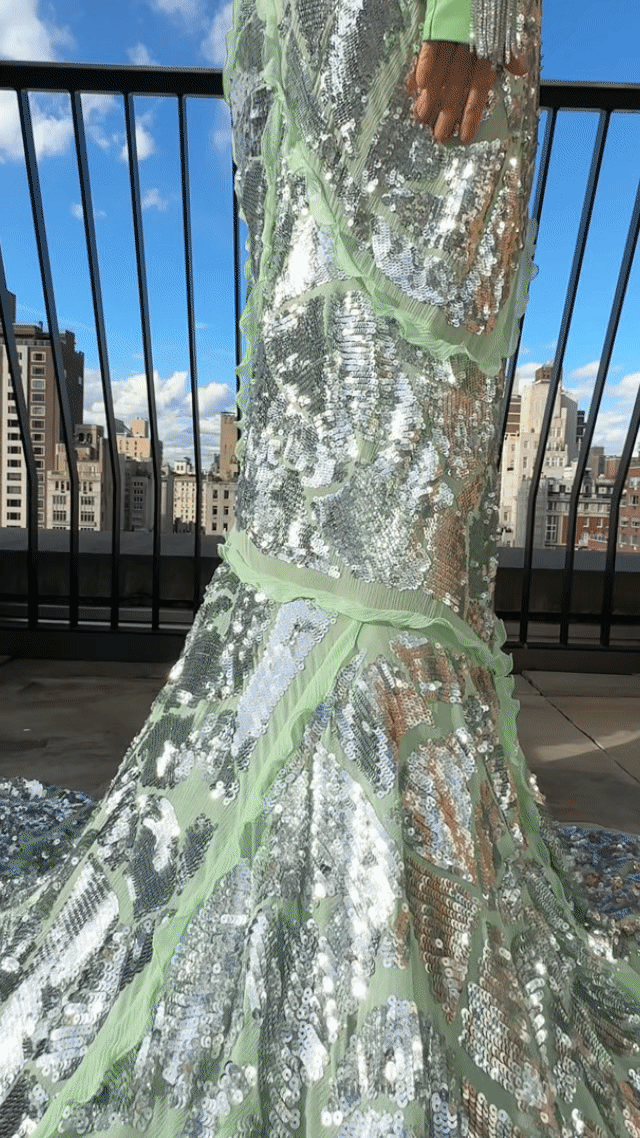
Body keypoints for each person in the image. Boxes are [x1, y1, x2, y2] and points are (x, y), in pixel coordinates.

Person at [2, 0, 640, 1134]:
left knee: (403, 504)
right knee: (314, 479)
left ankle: (405, 910)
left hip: (421, 32)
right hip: (310, 41)